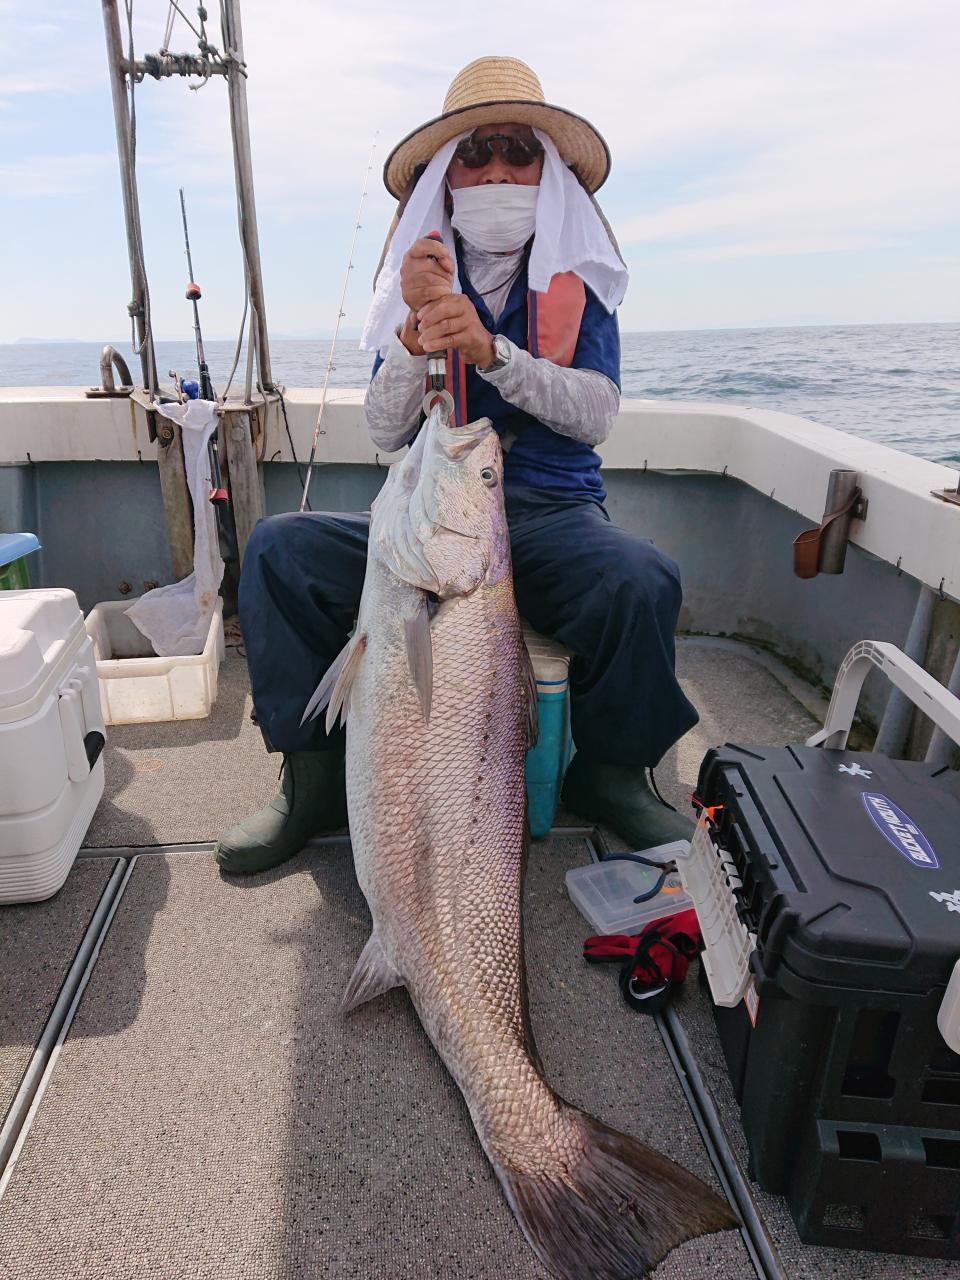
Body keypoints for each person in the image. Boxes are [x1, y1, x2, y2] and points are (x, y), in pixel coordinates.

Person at [216, 56, 698, 875]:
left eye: (520, 150)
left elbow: (597, 414)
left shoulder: (580, 275)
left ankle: (612, 775)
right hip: (428, 524)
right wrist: (413, 341)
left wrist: (493, 352)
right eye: (475, 153)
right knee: (278, 551)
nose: (497, 170)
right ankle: (312, 777)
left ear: (547, 172)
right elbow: (384, 428)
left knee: (641, 580)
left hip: (547, 518)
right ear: (448, 174)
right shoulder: (417, 279)